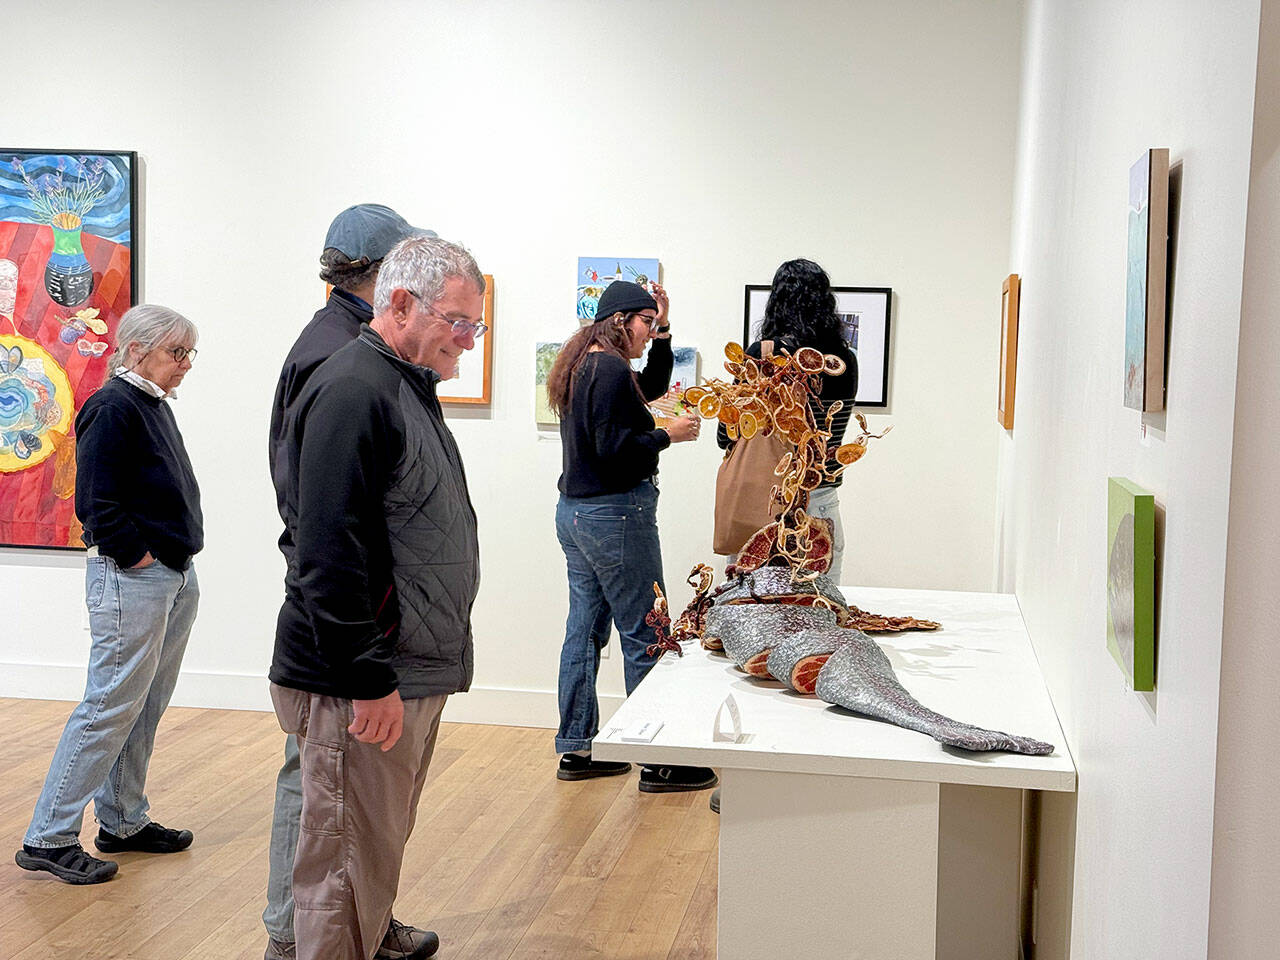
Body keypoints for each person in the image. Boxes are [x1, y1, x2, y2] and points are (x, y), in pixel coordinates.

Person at [270, 235, 485, 960]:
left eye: (475, 326)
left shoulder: (401, 386)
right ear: (398, 303)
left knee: (370, 861)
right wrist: (368, 678)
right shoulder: (353, 390)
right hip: (363, 680)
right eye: (459, 322)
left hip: (405, 668)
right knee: (341, 873)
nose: (468, 341)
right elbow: (328, 552)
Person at [15, 304, 202, 883]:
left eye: (190, 354)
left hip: (171, 575)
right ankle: (48, 836)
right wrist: (139, 558)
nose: (186, 365)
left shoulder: (150, 404)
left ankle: (123, 819)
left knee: (144, 705)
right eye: (178, 353)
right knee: (107, 707)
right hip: (134, 578)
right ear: (137, 350)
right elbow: (96, 502)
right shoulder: (112, 406)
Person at [547, 280, 718, 793]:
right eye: (645, 322)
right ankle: (658, 758)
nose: (648, 333)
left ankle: (577, 748)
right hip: (615, 516)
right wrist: (670, 435)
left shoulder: (588, 363)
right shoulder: (608, 368)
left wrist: (665, 329)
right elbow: (614, 449)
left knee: (584, 631)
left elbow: (651, 385)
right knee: (647, 630)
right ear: (621, 321)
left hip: (577, 514)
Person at [719, 258, 858, 581]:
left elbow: (727, 436)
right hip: (821, 502)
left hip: (764, 504)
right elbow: (834, 432)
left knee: (751, 620)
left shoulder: (761, 355)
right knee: (820, 618)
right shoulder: (845, 359)